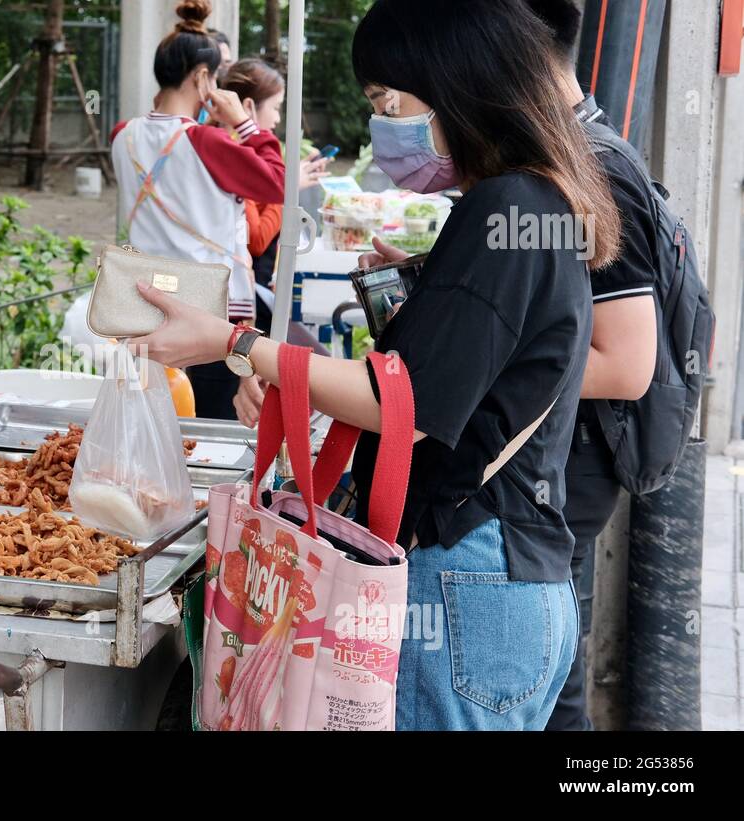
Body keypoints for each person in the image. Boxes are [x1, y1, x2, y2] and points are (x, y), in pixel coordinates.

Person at [128, 0, 623, 730]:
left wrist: (236, 344)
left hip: (465, 583)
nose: (384, 120)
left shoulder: (505, 206)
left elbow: (410, 407)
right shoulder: (541, 199)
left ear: (456, 82)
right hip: (516, 578)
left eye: (388, 99)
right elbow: (450, 378)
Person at [524, 0, 659, 732]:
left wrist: (493, 370)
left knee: (555, 682)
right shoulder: (571, 154)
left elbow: (626, 364)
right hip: (556, 459)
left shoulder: (595, 168)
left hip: (569, 467)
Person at [110, 0, 284, 420]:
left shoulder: (122, 135)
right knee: (207, 437)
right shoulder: (207, 142)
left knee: (154, 428)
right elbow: (277, 182)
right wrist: (245, 123)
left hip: (144, 310)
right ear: (202, 77)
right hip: (207, 315)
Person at [217, 58, 331, 422]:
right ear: (248, 107)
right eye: (277, 108)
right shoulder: (233, 156)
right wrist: (287, 194)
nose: (279, 119)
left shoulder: (243, 153)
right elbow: (255, 239)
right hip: (239, 301)